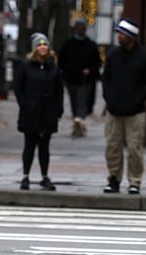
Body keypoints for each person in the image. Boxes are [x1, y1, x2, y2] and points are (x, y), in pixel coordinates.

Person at [102, 18, 146, 195]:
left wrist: (138, 99)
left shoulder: (144, 57)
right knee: (112, 146)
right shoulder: (112, 55)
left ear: (131, 36)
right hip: (114, 110)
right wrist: (108, 98)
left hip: (135, 112)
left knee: (135, 148)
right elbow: (106, 78)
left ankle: (135, 181)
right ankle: (113, 179)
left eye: (122, 34)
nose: (119, 36)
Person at [13, 32, 64, 191]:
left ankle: (44, 176)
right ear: (35, 48)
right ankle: (25, 175)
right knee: (29, 145)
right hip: (31, 112)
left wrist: (57, 109)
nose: (43, 47)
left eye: (45, 45)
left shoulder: (53, 67)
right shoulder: (26, 66)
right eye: (40, 45)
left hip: (47, 112)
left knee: (44, 147)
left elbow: (59, 90)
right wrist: (25, 104)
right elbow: (18, 87)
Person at [58, 18, 102, 137]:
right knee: (74, 101)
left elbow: (97, 62)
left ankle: (79, 123)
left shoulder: (91, 45)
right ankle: (78, 122)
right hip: (71, 78)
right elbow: (61, 61)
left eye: (82, 28)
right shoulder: (68, 44)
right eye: (78, 28)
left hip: (85, 80)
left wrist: (90, 70)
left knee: (81, 102)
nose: (80, 30)